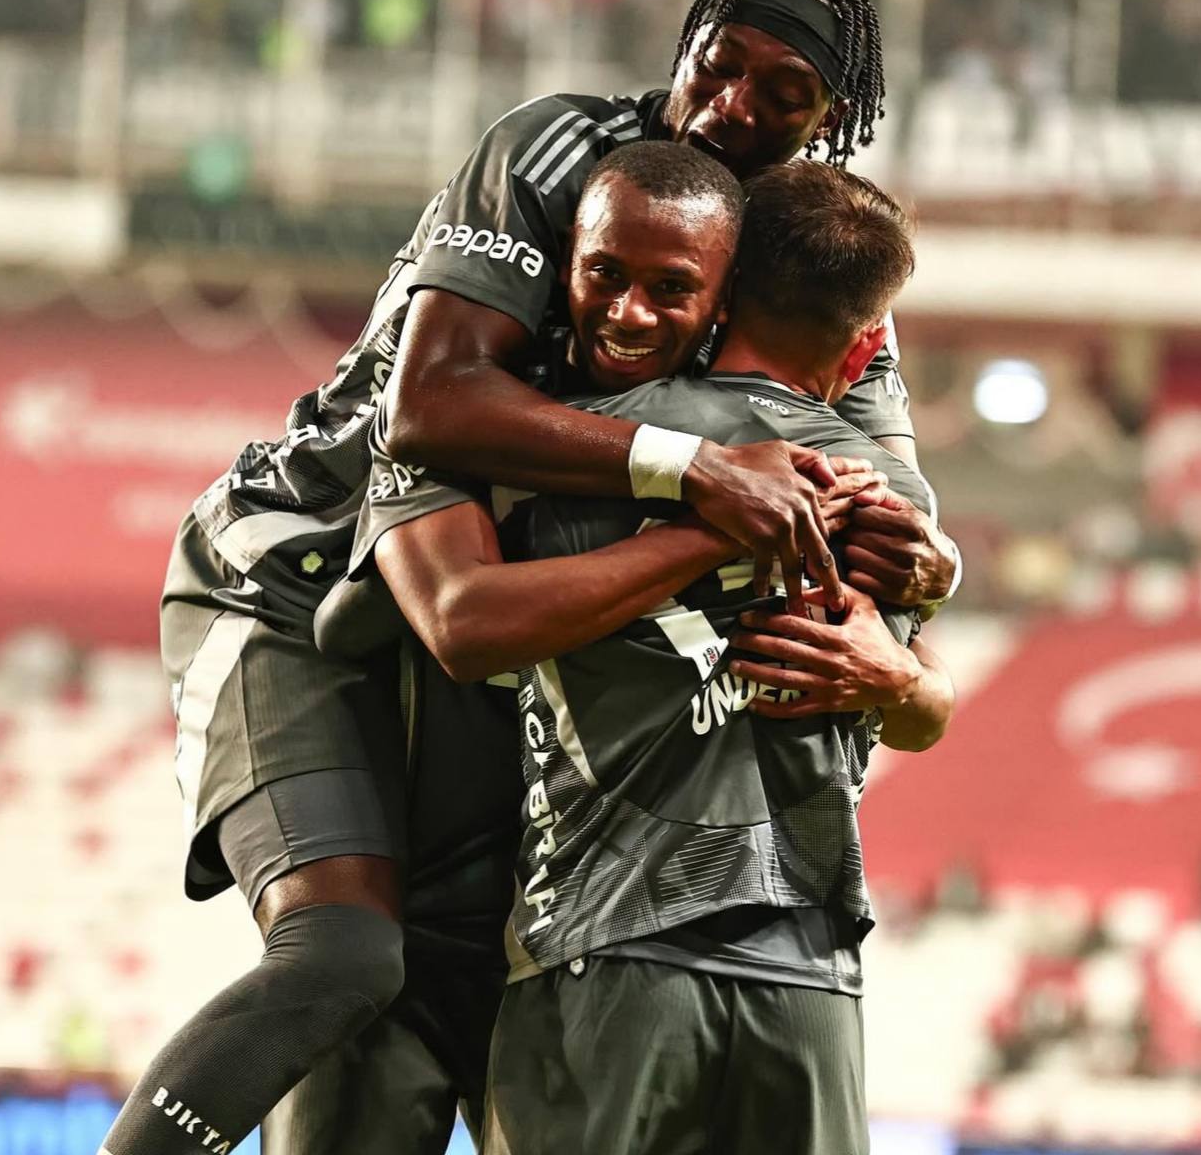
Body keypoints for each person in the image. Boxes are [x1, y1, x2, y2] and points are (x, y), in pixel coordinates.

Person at [101, 0, 956, 1155]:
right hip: (302, 572)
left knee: (439, 992)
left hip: (484, 640)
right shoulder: (556, 154)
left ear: (827, 123)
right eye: (720, 66)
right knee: (344, 956)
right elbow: (430, 408)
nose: (732, 108)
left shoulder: (793, 256)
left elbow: (897, 513)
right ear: (683, 43)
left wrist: (924, 595)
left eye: (783, 94)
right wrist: (697, 476)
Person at [338, 144, 954, 1155]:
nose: (630, 314)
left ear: (721, 296)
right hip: (807, 975)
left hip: (604, 945)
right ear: (858, 359)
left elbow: (456, 617)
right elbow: (913, 706)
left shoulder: (555, 445)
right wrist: (908, 671)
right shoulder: (891, 503)